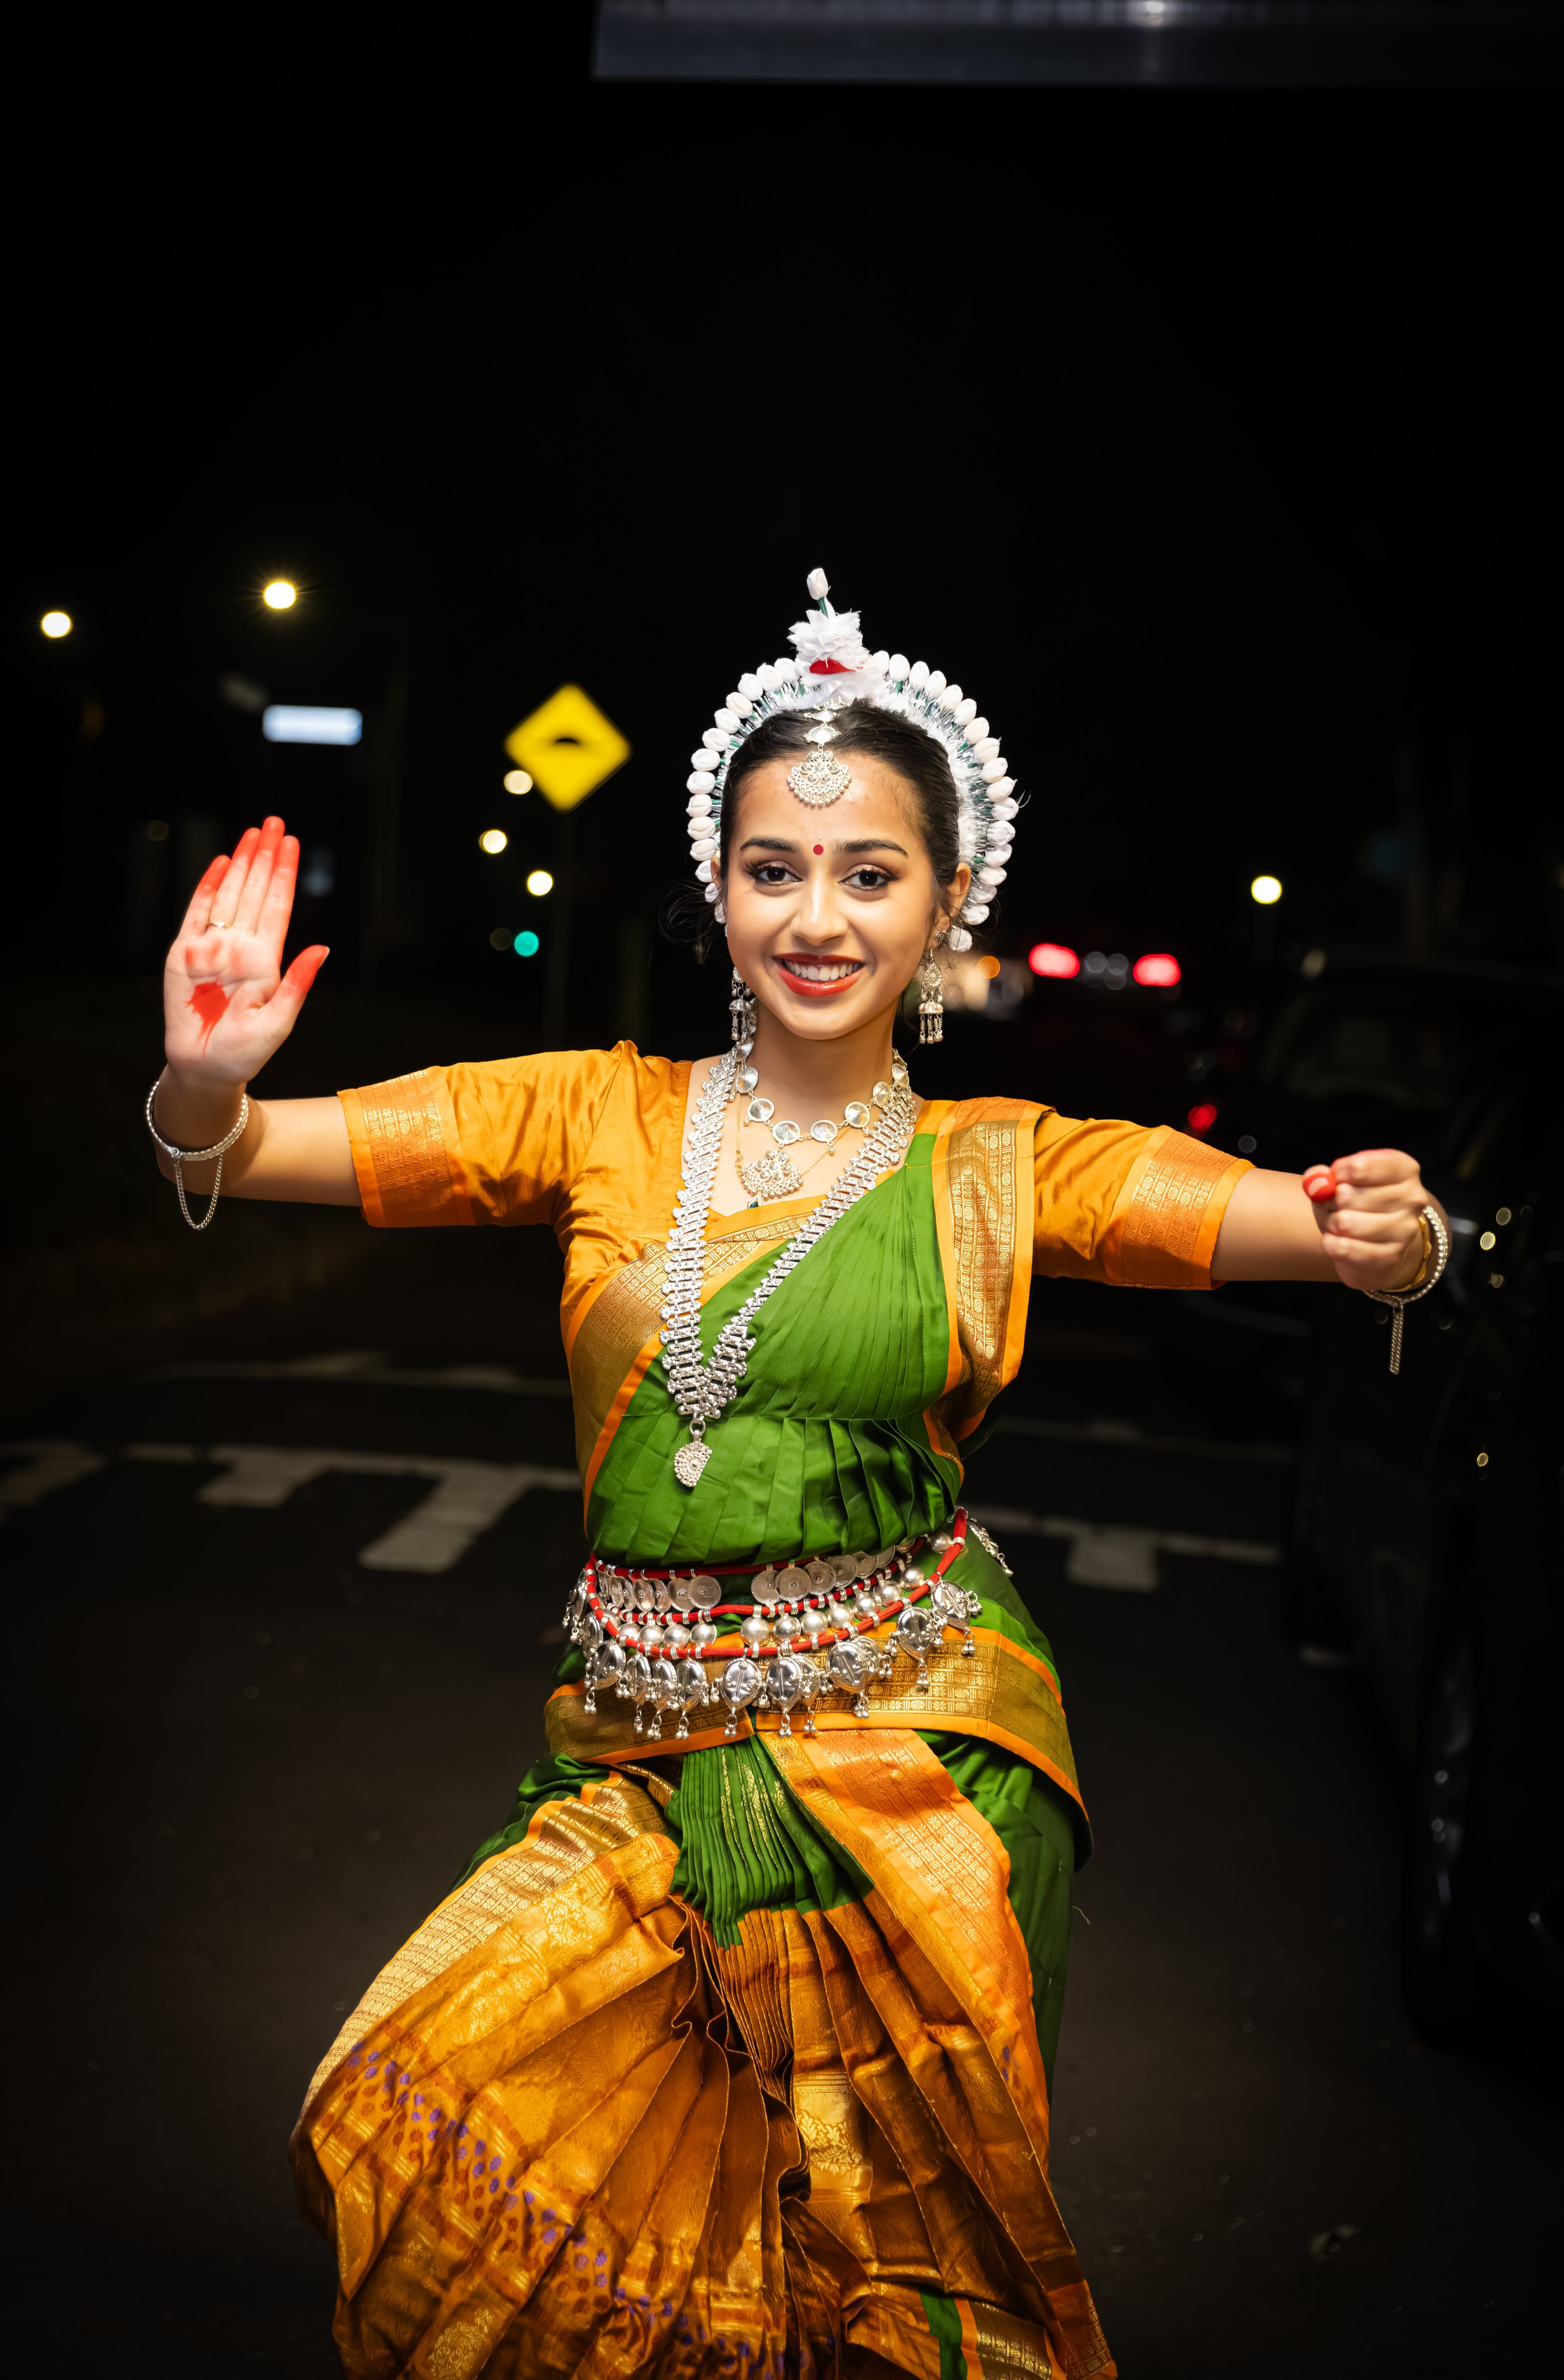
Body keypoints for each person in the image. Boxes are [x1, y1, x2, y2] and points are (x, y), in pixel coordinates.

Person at [149, 573, 1447, 2380]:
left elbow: (1240, 1216)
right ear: (720, 888)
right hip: (635, 1743)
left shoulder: (997, 1166)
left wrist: (1377, 1239)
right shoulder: (596, 1113)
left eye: (866, 874)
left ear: (945, 901)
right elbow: (273, 1150)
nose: (816, 917)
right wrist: (203, 1087)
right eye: (775, 869)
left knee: (871, 2287)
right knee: (426, 2109)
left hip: (919, 1779)